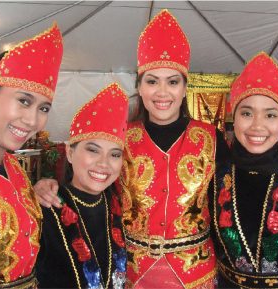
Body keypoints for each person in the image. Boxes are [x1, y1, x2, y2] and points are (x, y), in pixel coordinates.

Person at [34, 9, 229, 289]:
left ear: (185, 87)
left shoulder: (212, 139)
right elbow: (91, 188)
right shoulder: (120, 138)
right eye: (152, 81)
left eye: (172, 81)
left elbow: (231, 199)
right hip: (134, 275)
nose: (162, 92)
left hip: (197, 274)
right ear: (139, 85)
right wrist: (47, 185)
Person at [0, 23, 63, 288]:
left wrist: (35, 193)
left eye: (43, 108)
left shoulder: (14, 168)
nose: (32, 120)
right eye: (23, 101)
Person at [35, 83, 128, 289]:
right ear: (69, 153)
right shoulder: (45, 207)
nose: (104, 163)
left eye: (114, 154)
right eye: (93, 150)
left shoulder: (120, 207)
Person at [209, 52, 278, 288]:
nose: (257, 125)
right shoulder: (216, 175)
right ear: (235, 118)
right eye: (247, 113)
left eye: (270, 114)